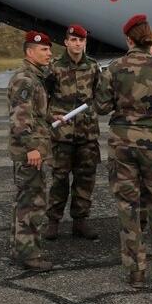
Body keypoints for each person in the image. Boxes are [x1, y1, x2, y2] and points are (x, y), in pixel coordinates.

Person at [89, 14, 152, 289]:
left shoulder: (114, 68)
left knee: (128, 207)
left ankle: (136, 271)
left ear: (128, 39)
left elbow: (101, 107)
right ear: (150, 38)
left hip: (122, 145)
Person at [45, 24, 102, 241]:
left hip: (87, 135)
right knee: (59, 179)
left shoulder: (94, 67)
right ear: (66, 42)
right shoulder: (54, 67)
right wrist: (51, 116)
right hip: (62, 135)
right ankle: (53, 221)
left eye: (81, 41)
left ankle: (80, 221)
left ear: (85, 43)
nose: (77, 44)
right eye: (73, 40)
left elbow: (100, 95)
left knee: (85, 179)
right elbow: (44, 97)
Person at [7, 30, 55, 271]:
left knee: (26, 199)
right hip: (30, 151)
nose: (49, 53)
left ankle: (21, 249)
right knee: (32, 202)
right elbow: (20, 118)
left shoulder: (34, 77)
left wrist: (51, 117)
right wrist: (32, 148)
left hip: (32, 147)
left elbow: (34, 114)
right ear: (30, 52)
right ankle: (29, 255)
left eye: (49, 49)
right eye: (44, 50)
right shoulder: (25, 79)